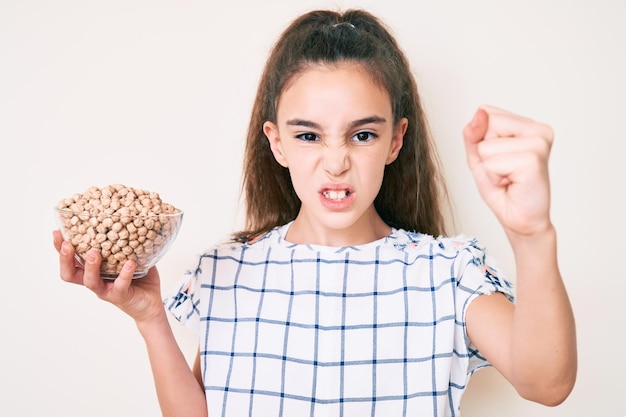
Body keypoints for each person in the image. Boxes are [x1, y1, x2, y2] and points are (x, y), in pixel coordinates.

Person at [52, 8, 577, 417]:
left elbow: (547, 383)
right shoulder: (228, 272)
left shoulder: (446, 273)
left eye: (363, 134)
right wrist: (151, 320)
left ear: (395, 140)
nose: (336, 162)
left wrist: (532, 234)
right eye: (308, 135)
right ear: (276, 143)